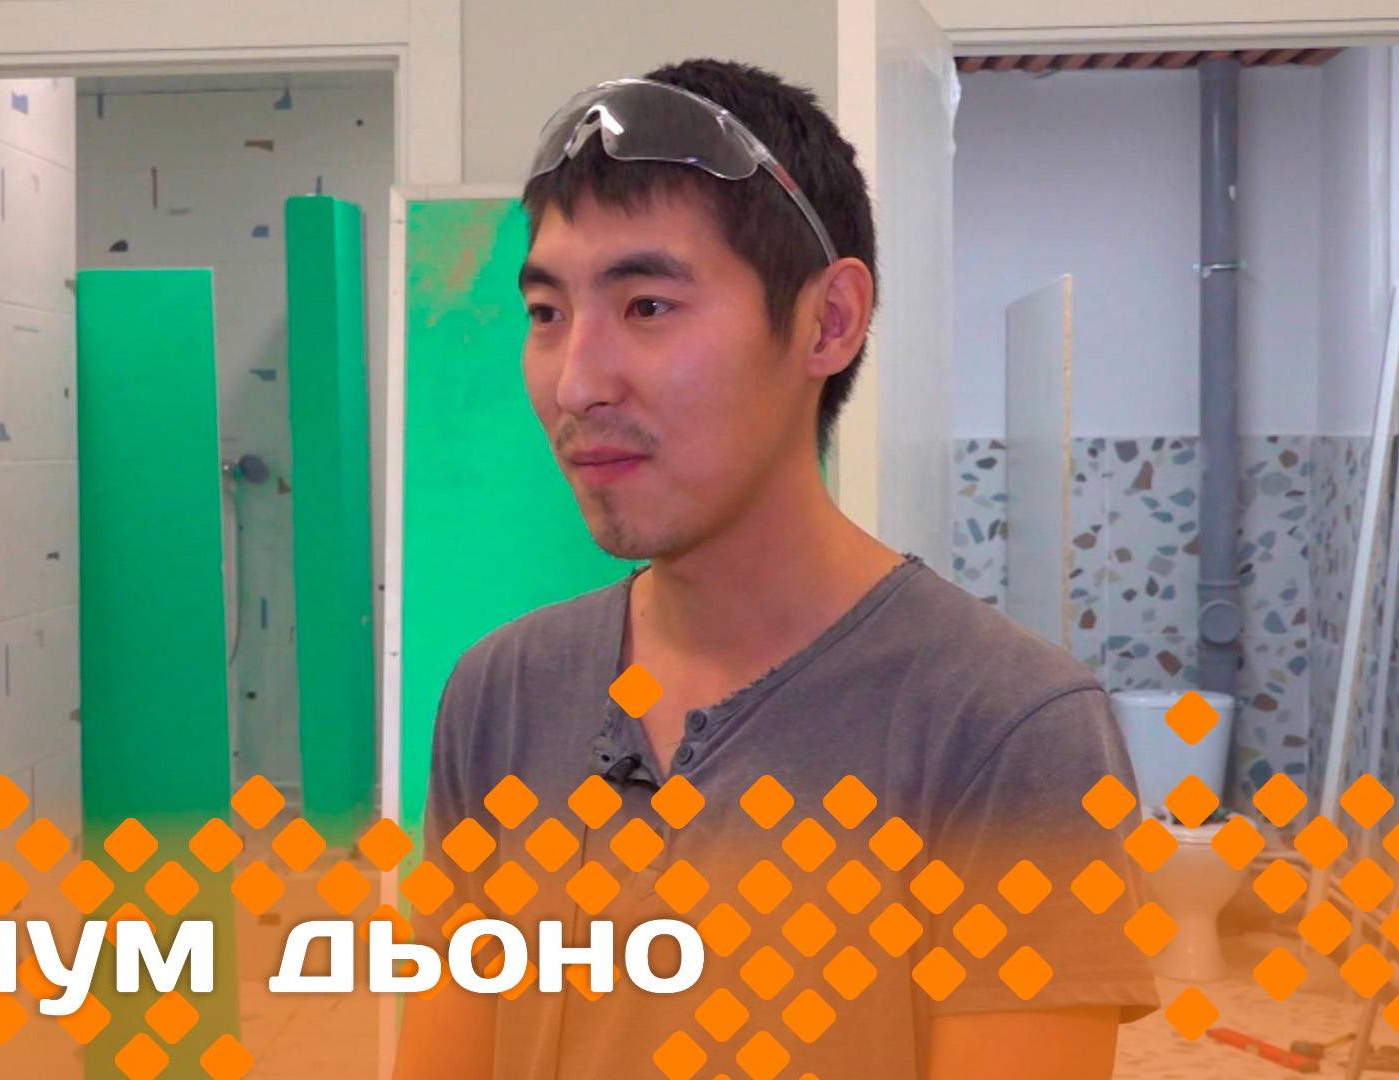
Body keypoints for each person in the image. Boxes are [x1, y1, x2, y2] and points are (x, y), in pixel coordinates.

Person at [392, 58, 1158, 1079]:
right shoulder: (501, 697)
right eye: (547, 314)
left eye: (647, 306)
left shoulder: (1006, 733)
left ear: (828, 321)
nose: (576, 383)